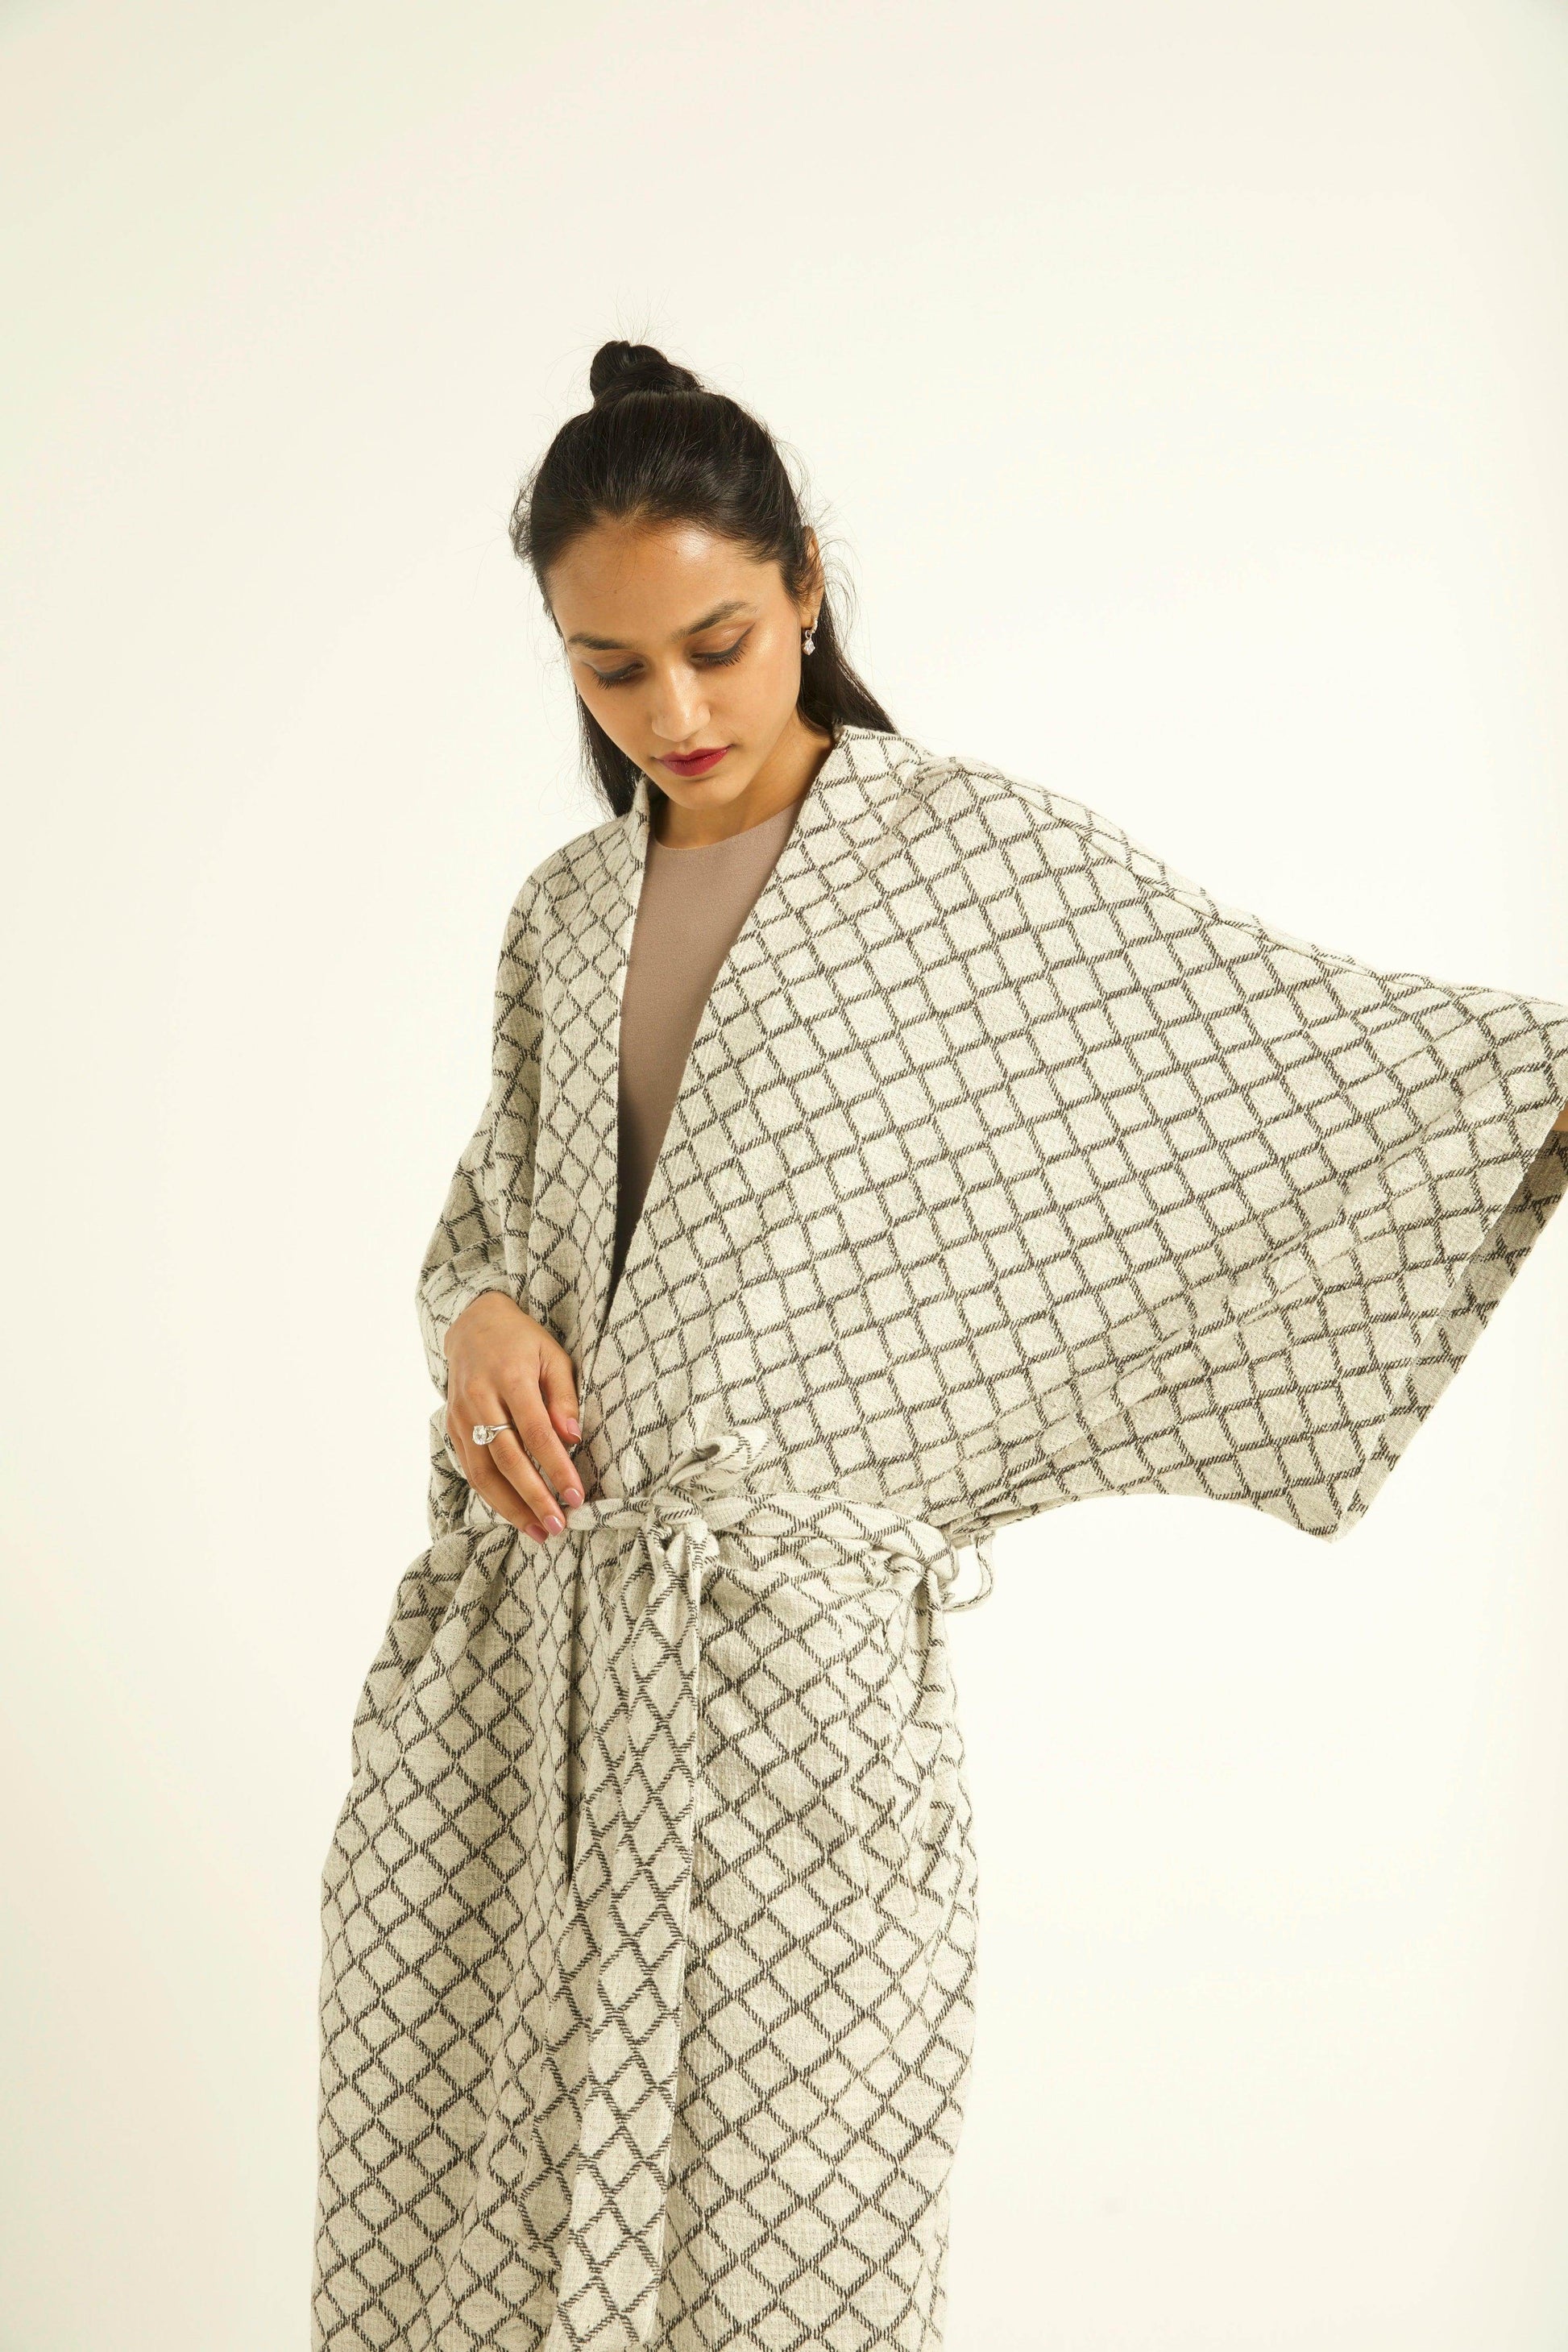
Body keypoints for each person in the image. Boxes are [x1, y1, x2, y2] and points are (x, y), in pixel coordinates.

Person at [312, 342, 1568, 2352]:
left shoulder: (972, 867)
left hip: (789, 1688)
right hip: (523, 1680)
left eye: (719, 643)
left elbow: (1286, 1060)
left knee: (786, 2261)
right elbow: (496, 1211)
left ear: (806, 583)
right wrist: (471, 1315)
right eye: (610, 670)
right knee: (466, 2228)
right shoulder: (562, 909)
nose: (675, 711)